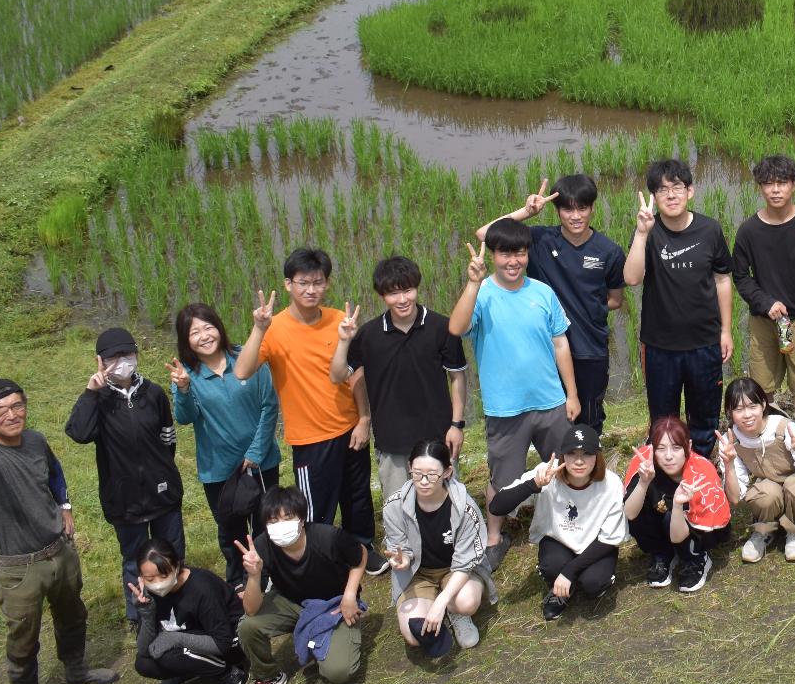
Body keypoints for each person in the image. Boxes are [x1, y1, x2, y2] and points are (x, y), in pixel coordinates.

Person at [0, 379, 118, 684]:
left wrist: (64, 505)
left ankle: (76, 669)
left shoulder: (35, 441)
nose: (12, 415)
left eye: (18, 406)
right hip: (19, 566)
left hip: (58, 550)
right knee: (22, 640)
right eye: (1, 410)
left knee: (73, 614)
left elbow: (55, 472)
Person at [236, 248, 384, 568]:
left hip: (349, 427)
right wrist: (258, 329)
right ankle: (317, 556)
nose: (311, 290)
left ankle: (362, 549)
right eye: (303, 283)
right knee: (315, 505)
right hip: (310, 437)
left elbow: (355, 374)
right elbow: (242, 371)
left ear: (327, 283)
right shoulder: (273, 328)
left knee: (357, 494)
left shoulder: (338, 321)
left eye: (317, 282)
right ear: (288, 284)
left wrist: (364, 418)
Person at [447, 220, 580, 567]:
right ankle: (494, 536)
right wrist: (472, 283)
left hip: (550, 401)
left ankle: (572, 521)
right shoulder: (481, 295)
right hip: (505, 409)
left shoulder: (542, 292)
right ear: (492, 255)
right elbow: (456, 328)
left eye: (519, 252)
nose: (513, 260)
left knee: (566, 466)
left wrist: (573, 394)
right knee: (502, 480)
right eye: (505, 252)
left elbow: (560, 343)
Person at [476, 174, 625, 432]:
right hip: (545, 351)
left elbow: (615, 300)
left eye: (582, 208)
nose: (575, 215)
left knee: (589, 417)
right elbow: (485, 234)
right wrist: (526, 212)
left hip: (590, 347)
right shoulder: (540, 240)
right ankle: (557, 468)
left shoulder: (608, 251)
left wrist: (586, 308)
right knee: (556, 419)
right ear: (557, 210)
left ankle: (590, 465)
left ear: (593, 208)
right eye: (567, 208)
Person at [65, 326, 184, 624]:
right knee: (134, 558)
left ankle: (179, 607)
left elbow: (168, 438)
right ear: (101, 361)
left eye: (127, 354)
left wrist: (161, 470)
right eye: (114, 357)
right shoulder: (100, 399)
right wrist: (91, 393)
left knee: (172, 552)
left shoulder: (154, 393)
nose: (123, 361)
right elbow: (79, 433)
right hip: (124, 499)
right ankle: (140, 616)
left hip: (163, 492)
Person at [332, 255, 465, 509]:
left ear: (417, 287)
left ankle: (450, 548)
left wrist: (457, 424)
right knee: (398, 508)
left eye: (407, 290)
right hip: (391, 440)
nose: (402, 299)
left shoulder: (441, 327)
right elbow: (338, 376)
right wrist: (344, 341)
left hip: (437, 435)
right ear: (382, 295)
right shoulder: (368, 335)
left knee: (447, 506)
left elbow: (457, 376)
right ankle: (401, 550)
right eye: (393, 293)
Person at [623, 158, 735, 457]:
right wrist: (642, 232)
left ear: (691, 191)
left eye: (677, 188)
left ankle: (703, 470)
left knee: (705, 415)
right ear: (653, 197)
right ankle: (665, 476)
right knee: (663, 419)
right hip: (660, 346)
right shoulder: (648, 231)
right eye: (661, 190)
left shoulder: (710, 229)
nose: (670, 195)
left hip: (705, 342)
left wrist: (726, 330)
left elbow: (723, 279)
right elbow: (632, 278)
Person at [169, 303, 280, 591]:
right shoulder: (186, 375)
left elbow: (270, 407)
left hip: (260, 462)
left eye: (208, 327)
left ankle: (266, 575)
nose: (204, 336)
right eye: (195, 332)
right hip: (218, 469)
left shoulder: (246, 357)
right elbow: (185, 418)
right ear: (186, 339)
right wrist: (182, 390)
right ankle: (237, 580)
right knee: (230, 528)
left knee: (264, 522)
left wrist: (256, 453)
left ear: (219, 327)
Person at [235, 485, 369, 684]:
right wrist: (255, 575)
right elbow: (251, 609)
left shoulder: (327, 536)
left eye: (288, 517)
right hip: (290, 601)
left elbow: (361, 555)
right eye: (273, 521)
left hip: (334, 605)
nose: (280, 526)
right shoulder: (262, 546)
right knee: (247, 626)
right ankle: (268, 676)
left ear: (302, 518)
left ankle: (330, 639)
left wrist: (349, 595)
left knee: (338, 673)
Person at [487, 423, 628, 622]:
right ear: (562, 455)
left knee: (593, 583)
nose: (579, 461)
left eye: (587, 453)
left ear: (597, 456)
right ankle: (560, 591)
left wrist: (570, 571)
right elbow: (496, 507)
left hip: (596, 544)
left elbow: (609, 539)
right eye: (572, 453)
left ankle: (578, 580)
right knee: (552, 567)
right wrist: (533, 485)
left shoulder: (610, 483)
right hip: (559, 540)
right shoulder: (547, 473)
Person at [731, 154, 795, 437]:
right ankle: (768, 430)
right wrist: (765, 302)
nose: (775, 190)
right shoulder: (749, 230)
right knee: (762, 381)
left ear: (794, 185)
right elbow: (741, 276)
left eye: (782, 183)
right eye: (768, 183)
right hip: (766, 320)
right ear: (760, 187)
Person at [380, 439, 495, 659]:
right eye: (416, 473)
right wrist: (402, 560)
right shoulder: (394, 506)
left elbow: (464, 563)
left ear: (447, 472)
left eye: (432, 474)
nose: (423, 481)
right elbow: (400, 548)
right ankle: (433, 604)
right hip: (418, 574)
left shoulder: (464, 507)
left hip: (457, 571)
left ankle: (454, 611)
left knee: (467, 602)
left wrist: (441, 603)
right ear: (409, 468)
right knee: (414, 637)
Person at [128, 537, 247, 684]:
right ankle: (191, 667)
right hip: (194, 636)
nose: (158, 583)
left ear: (177, 566)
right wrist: (146, 612)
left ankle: (232, 674)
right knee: (144, 663)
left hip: (230, 642)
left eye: (164, 575)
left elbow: (223, 642)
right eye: (150, 578)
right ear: (141, 577)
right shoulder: (147, 593)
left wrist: (175, 639)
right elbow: (145, 649)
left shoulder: (202, 587)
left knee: (169, 655)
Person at [716, 377, 795, 564]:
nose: (747, 415)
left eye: (752, 406)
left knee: (793, 485)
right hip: (772, 489)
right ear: (729, 411)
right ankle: (765, 530)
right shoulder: (730, 441)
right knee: (764, 491)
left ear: (763, 404)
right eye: (738, 409)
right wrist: (728, 464)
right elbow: (735, 498)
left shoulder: (784, 428)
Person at [622, 416, 732, 594]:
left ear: (688, 446)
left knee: (671, 515)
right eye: (661, 448)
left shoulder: (700, 472)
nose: (668, 456)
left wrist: (679, 506)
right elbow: (630, 514)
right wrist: (643, 483)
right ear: (652, 449)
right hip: (668, 525)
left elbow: (685, 530)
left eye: (676, 448)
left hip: (700, 531)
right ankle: (663, 553)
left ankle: (695, 558)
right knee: (638, 504)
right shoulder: (646, 465)